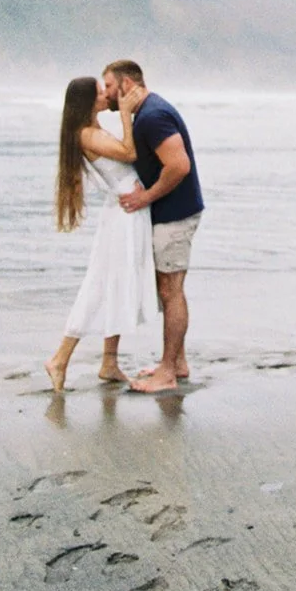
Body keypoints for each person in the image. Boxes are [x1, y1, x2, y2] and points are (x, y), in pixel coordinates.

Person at [45, 77, 157, 392]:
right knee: (100, 286)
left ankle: (109, 362)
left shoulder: (93, 130)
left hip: (127, 211)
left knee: (116, 285)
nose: (105, 95)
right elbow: (128, 152)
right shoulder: (87, 135)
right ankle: (59, 359)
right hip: (123, 214)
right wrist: (124, 112)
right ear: (86, 102)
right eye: (99, 93)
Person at [101, 60, 204, 393]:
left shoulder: (152, 116)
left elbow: (179, 165)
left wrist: (146, 198)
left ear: (127, 84)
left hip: (176, 213)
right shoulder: (145, 114)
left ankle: (168, 372)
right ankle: (177, 363)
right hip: (171, 212)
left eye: (109, 87)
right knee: (168, 291)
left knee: (170, 292)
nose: (106, 94)